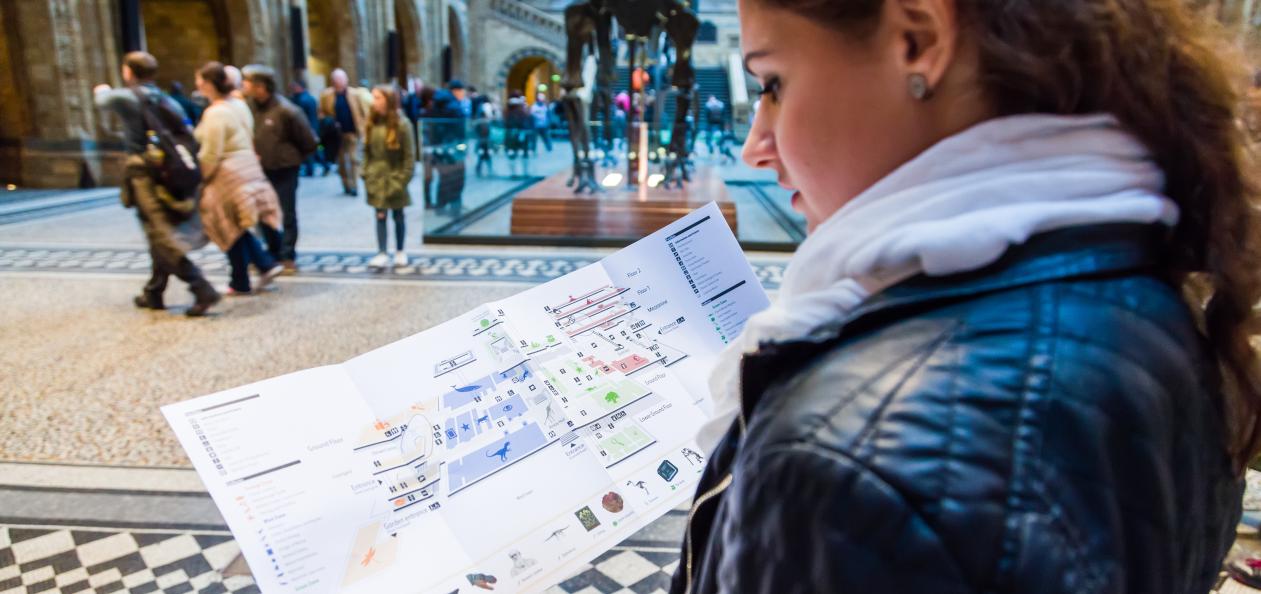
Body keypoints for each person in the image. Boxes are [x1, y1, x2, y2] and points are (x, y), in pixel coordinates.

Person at [676, 1, 1256, 593]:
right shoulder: (1140, 290)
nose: (755, 147)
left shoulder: (848, 468)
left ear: (918, 38)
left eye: (774, 83)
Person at [94, 52, 220, 316]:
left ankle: (200, 287)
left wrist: (102, 89)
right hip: (166, 170)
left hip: (143, 173)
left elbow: (101, 100)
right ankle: (154, 291)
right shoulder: (166, 99)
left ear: (129, 72)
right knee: (157, 230)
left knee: (159, 232)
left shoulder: (128, 97)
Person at [194, 61, 283, 296]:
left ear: (208, 83)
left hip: (227, 174)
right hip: (248, 167)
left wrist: (202, 179)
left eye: (199, 80)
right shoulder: (239, 105)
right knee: (237, 224)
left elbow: (211, 153)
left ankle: (251, 272)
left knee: (227, 224)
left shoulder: (216, 112)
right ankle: (254, 269)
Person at [242, 65, 318, 274]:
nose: (244, 86)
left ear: (260, 86)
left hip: (284, 170)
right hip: (260, 170)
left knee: (286, 213)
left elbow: (309, 141)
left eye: (247, 82)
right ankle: (273, 251)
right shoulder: (250, 108)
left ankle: (287, 255)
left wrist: (293, 159)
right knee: (262, 212)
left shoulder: (287, 110)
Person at [361, 84, 416, 270]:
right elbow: (366, 152)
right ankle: (382, 252)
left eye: (378, 97)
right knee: (380, 215)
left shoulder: (402, 124)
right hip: (376, 178)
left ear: (388, 100)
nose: (374, 101)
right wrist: (365, 173)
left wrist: (401, 180)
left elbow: (409, 157)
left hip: (395, 177)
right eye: (373, 97)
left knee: (398, 215)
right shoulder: (372, 122)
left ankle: (400, 250)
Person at [318, 68, 372, 196]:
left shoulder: (355, 94)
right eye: (337, 79)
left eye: (342, 79)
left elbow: (363, 112)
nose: (340, 82)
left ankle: (354, 185)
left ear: (346, 80)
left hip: (352, 132)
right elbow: (321, 113)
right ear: (333, 81)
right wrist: (329, 122)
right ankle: (346, 184)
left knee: (354, 159)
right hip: (336, 135)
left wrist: (364, 126)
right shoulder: (326, 95)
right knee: (342, 161)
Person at [428, 81, 469, 213]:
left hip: (440, 146)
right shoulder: (454, 106)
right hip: (453, 146)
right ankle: (455, 205)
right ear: (456, 90)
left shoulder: (439, 103)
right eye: (462, 91)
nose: (463, 94)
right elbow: (459, 129)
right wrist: (462, 147)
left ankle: (441, 205)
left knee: (445, 177)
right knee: (457, 176)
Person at [289, 79, 325, 177]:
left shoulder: (305, 100)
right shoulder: (301, 98)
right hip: (309, 127)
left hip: (309, 128)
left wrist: (312, 130)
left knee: (313, 148)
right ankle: (320, 165)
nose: (292, 89)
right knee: (315, 148)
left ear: (299, 87)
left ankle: (312, 168)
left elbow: (310, 116)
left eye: (294, 87)